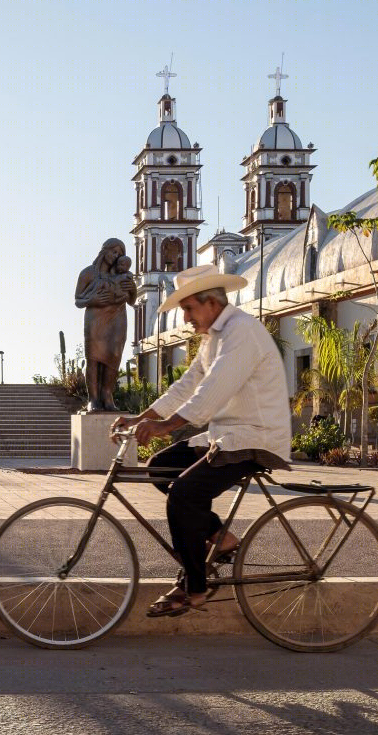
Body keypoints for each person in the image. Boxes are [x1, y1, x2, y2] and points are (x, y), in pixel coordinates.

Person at [111, 263, 292, 617]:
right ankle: (222, 539)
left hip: (253, 439)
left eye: (190, 310)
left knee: (183, 495)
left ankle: (194, 588)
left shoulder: (241, 333)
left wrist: (165, 428)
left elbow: (211, 392)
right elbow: (188, 385)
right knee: (161, 467)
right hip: (228, 435)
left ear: (210, 302)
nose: (188, 319)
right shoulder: (215, 337)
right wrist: (142, 418)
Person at [75, 239, 137, 412]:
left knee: (114, 356)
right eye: (114, 252)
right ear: (104, 251)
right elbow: (78, 299)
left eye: (119, 254)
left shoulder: (121, 275)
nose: (116, 256)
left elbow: (132, 301)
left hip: (118, 318)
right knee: (93, 358)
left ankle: (107, 396)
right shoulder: (88, 273)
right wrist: (92, 300)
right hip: (95, 319)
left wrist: (133, 288)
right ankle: (93, 400)